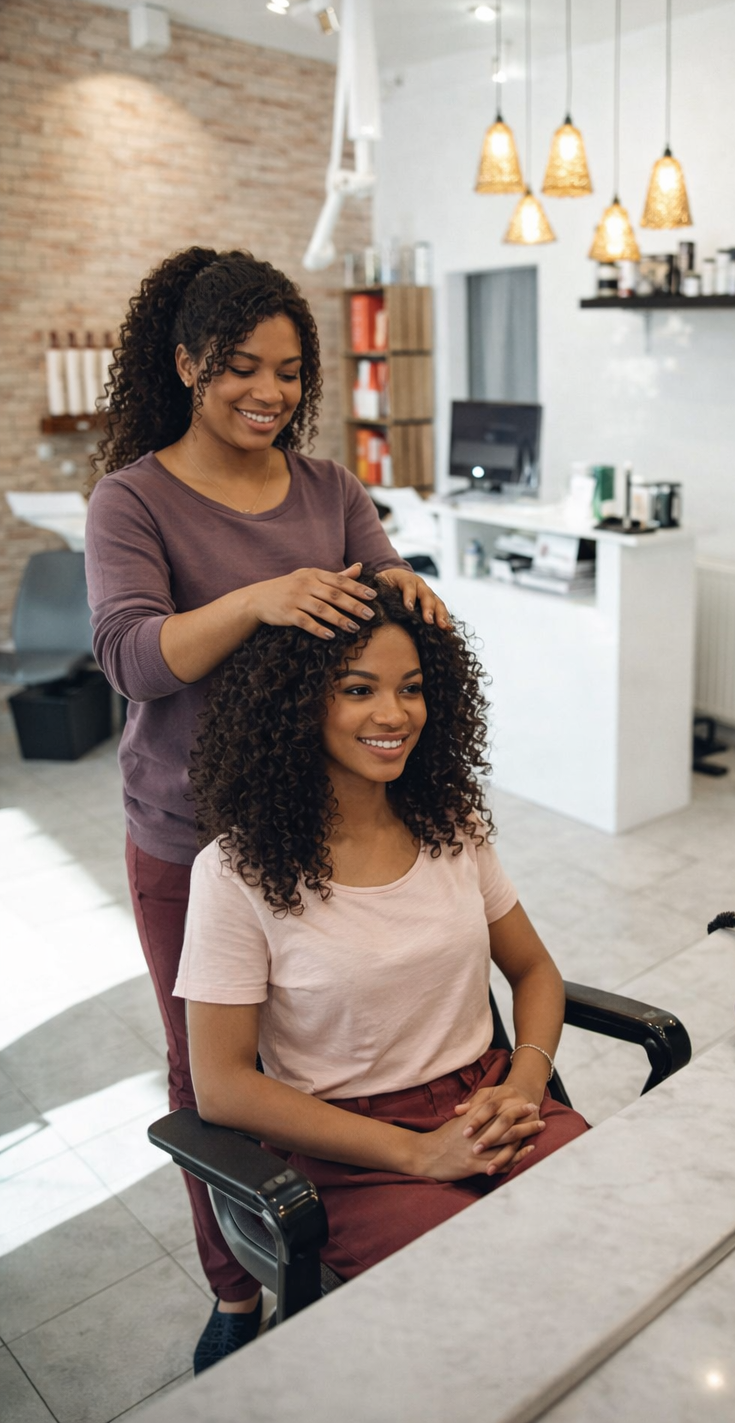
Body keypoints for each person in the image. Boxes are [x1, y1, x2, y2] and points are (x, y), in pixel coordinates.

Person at [85, 247, 448, 1371]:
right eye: (241, 367)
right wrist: (258, 599)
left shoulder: (330, 490)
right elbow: (133, 659)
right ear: (188, 362)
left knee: (320, 1055)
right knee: (214, 1085)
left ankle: (350, 1240)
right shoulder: (131, 499)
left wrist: (405, 588)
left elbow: (383, 582)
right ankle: (236, 1290)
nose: (269, 394)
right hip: (192, 845)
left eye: (289, 373)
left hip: (319, 827)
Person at [176, 577, 588, 1365]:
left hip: (491, 1098)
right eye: (358, 690)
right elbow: (222, 1086)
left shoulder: (451, 825)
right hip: (354, 1152)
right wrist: (418, 1154)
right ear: (298, 704)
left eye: (411, 689)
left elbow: (535, 971)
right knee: (476, 1320)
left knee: (604, 1235)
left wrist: (525, 1083)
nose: (393, 715)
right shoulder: (235, 873)